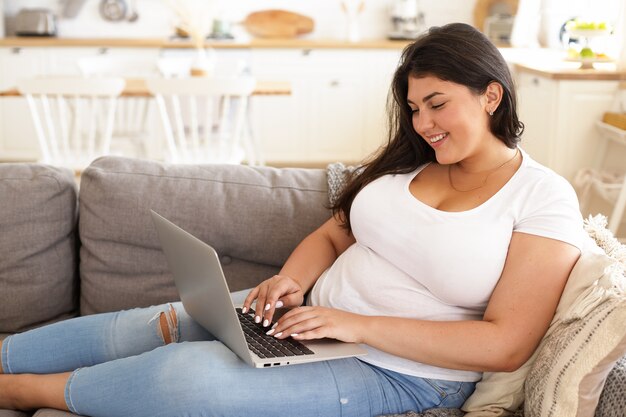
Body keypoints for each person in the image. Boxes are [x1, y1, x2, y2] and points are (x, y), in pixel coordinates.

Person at [0, 23, 585, 416]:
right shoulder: (411, 164)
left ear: (491, 96)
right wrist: (291, 281)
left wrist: (356, 325)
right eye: (413, 108)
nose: (424, 123)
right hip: (301, 321)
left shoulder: (542, 197)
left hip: (398, 370)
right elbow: (335, 232)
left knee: (187, 375)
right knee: (143, 326)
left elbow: (506, 344)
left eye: (438, 104)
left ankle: (25, 392)